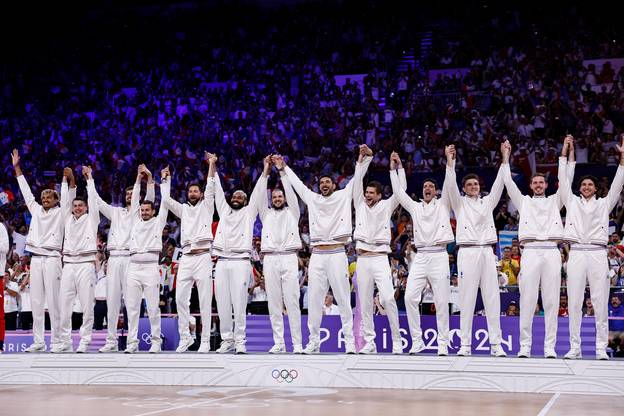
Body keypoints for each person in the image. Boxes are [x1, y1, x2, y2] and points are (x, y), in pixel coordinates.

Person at [282, 147, 369, 354]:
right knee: (313, 300)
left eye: (327, 182)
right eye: (321, 183)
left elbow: (357, 179)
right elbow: (298, 185)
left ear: (334, 184)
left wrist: (362, 159)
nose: (324, 185)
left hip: (338, 253)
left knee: (343, 298)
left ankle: (349, 341)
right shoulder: (313, 199)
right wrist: (284, 167)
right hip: (318, 255)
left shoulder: (342, 196)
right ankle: (313, 341)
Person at [501, 136, 575, 358]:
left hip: (552, 251)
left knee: (552, 300)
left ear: (546, 184)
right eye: (535, 183)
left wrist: (566, 152)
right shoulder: (524, 202)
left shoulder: (555, 200)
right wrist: (505, 156)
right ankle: (525, 346)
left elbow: (567, 179)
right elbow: (508, 182)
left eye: (541, 182)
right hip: (531, 252)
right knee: (528, 299)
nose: (538, 185)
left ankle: (549, 347)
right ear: (531, 185)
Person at [560, 134, 624, 360]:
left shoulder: (604, 204)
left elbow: (617, 185)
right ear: (579, 188)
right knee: (575, 302)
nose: (586, 187)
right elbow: (563, 180)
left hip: (597, 254)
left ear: (596, 189)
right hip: (576, 254)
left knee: (599, 302)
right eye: (583, 184)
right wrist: (566, 152)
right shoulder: (572, 202)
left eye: (590, 184)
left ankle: (600, 349)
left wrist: (623, 160)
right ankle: (574, 348)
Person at [390, 147, 455, 356]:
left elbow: (449, 183)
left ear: (435, 191)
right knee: (409, 298)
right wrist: (396, 169)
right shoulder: (415, 207)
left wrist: (449, 160)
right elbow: (399, 193)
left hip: (438, 255)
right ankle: (417, 341)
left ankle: (443, 343)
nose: (427, 188)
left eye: (431, 186)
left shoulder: (443, 204)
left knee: (442, 300)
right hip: (420, 256)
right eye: (425, 186)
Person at [445, 142, 507, 357]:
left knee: (492, 297)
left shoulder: (487, 203)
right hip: (468, 252)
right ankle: (465, 345)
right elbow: (451, 186)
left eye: (476, 183)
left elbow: (500, 185)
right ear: (464, 188)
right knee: (467, 298)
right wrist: (450, 163)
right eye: (469, 184)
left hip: (487, 252)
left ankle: (496, 344)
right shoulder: (459, 203)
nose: (473, 186)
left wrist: (504, 159)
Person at [12, 149, 72, 353]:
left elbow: (66, 199)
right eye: (43, 196)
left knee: (54, 302)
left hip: (54, 258)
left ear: (56, 200)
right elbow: (26, 192)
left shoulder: (61, 213)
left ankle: (57, 342)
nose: (45, 198)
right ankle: (38, 342)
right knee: (36, 301)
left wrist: (65, 180)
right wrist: (17, 168)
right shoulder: (36, 210)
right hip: (36, 259)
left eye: (49, 196)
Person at [94, 165, 155, 352]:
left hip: (131, 258)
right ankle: (111, 341)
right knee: (112, 301)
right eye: (128, 194)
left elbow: (150, 199)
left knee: (132, 302)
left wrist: (145, 179)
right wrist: (89, 180)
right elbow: (97, 201)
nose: (130, 196)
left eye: (133, 194)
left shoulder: (140, 214)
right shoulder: (116, 212)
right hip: (114, 258)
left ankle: (132, 342)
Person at [160, 154, 216, 354]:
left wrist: (211, 163)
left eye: (196, 191)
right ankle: (185, 337)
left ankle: (206, 341)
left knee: (204, 301)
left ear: (200, 194)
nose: (193, 193)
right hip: (186, 258)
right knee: (180, 299)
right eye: (190, 191)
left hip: (202, 257)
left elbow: (210, 186)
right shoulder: (183, 209)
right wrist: (165, 179)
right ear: (187, 194)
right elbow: (165, 200)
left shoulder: (207, 207)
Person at [352, 147, 403, 355]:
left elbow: (401, 192)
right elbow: (357, 181)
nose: (367, 196)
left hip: (381, 258)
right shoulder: (359, 205)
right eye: (366, 193)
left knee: (389, 299)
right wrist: (361, 160)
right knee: (364, 303)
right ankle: (370, 342)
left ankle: (397, 341)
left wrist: (396, 169)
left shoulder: (386, 206)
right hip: (363, 259)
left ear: (380, 196)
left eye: (371, 193)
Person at [212, 156, 264, 354]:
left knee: (239, 303)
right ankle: (227, 340)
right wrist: (213, 166)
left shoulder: (249, 213)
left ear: (246, 201)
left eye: (240, 197)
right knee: (223, 303)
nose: (235, 199)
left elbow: (259, 191)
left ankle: (240, 340)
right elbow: (217, 191)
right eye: (234, 197)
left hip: (241, 261)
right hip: (222, 261)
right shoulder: (224, 211)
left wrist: (266, 169)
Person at [257, 155, 303, 354]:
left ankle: (298, 344)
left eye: (280, 197)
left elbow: (292, 194)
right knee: (274, 302)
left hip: (289, 257)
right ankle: (279, 343)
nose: (277, 199)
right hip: (270, 259)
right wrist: (266, 170)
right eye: (274, 197)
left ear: (284, 199)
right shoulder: (265, 214)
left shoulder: (293, 212)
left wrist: (282, 171)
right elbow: (259, 196)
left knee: (292, 301)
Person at [55, 166, 101, 353]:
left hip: (85, 264)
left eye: (80, 206)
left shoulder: (92, 219)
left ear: (86, 207)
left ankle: (84, 340)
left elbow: (94, 200)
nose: (77, 208)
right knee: (64, 305)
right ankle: (65, 341)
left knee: (87, 305)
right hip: (68, 265)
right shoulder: (67, 218)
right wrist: (64, 181)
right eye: (75, 206)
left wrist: (89, 178)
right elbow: (65, 201)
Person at [124, 168, 169, 354]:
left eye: (147, 210)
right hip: (133, 268)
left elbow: (165, 203)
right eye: (141, 209)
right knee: (132, 308)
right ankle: (131, 344)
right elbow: (134, 199)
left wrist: (165, 180)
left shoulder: (158, 222)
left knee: (152, 308)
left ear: (153, 211)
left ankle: (156, 342)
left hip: (151, 268)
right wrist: (138, 178)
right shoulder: (134, 220)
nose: (143, 212)